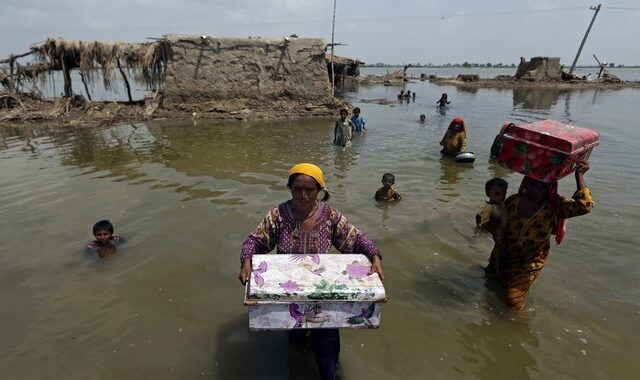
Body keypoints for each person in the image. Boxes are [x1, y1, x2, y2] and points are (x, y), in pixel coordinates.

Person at [239, 163, 384, 380]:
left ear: (319, 190)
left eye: (310, 189)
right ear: (290, 188)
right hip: (290, 289)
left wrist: (374, 256)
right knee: (295, 340)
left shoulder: (330, 216)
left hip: (322, 289)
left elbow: (355, 238)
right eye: (298, 189)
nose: (303, 195)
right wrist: (246, 260)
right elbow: (255, 240)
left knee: (326, 340)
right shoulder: (278, 215)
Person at [496, 160, 593, 311]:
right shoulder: (513, 201)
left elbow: (585, 206)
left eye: (541, 186)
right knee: (492, 286)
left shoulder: (554, 206)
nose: (535, 190)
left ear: (549, 188)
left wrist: (579, 175)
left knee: (512, 300)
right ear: (526, 184)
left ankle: (521, 326)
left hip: (529, 263)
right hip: (503, 255)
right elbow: (498, 224)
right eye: (532, 184)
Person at [476, 178, 508, 275]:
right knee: (502, 252)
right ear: (488, 194)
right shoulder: (489, 207)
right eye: (497, 194)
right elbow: (484, 222)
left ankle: (496, 268)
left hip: (501, 230)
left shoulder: (501, 204)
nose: (501, 196)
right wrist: (493, 232)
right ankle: (499, 270)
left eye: (504, 194)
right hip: (495, 232)